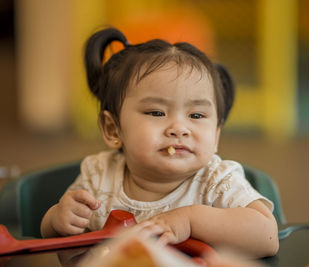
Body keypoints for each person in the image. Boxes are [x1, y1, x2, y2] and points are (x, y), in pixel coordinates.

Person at [40, 27, 279, 258]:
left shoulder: (216, 181)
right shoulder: (99, 175)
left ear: (216, 135)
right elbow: (58, 239)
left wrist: (191, 220)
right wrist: (56, 220)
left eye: (196, 115)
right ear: (113, 129)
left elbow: (267, 236)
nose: (179, 129)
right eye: (156, 113)